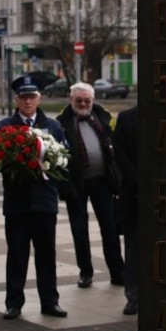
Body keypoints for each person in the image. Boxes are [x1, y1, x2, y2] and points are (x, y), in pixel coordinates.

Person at [0, 75, 67, 320]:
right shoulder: (4, 127)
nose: (28, 101)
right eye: (23, 97)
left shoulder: (53, 126)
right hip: (17, 203)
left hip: (44, 202)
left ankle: (50, 301)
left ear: (39, 98)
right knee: (17, 254)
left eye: (32, 96)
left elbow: (65, 158)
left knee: (47, 255)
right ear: (16, 100)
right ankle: (14, 302)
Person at [56, 82, 124, 288]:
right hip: (76, 183)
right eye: (79, 100)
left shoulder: (103, 116)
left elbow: (115, 143)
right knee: (79, 230)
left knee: (110, 228)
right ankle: (85, 272)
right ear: (71, 100)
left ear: (93, 100)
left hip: (103, 181)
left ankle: (117, 272)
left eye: (87, 100)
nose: (83, 103)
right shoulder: (61, 122)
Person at [112, 105, 138, 315]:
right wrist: (138, 180)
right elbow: (119, 154)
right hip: (135, 195)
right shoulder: (126, 118)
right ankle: (134, 297)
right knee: (134, 248)